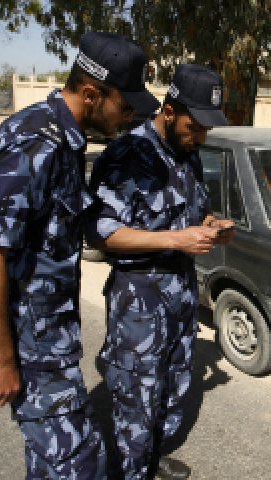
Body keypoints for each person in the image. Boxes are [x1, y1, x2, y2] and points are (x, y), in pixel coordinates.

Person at [0, 32, 159, 478]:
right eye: (125, 105)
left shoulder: (66, 139)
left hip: (49, 338)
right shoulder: (36, 142)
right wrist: (2, 360)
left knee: (55, 461)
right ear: (91, 94)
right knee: (77, 465)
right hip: (30, 345)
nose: (130, 116)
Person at [86, 64, 233, 479]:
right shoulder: (127, 155)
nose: (200, 137)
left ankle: (151, 458)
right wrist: (177, 239)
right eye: (194, 127)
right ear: (169, 111)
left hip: (180, 291)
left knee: (173, 381)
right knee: (137, 394)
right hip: (139, 299)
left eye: (207, 129)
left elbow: (196, 211)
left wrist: (212, 226)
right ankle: (129, 469)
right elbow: (101, 233)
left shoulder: (187, 153)